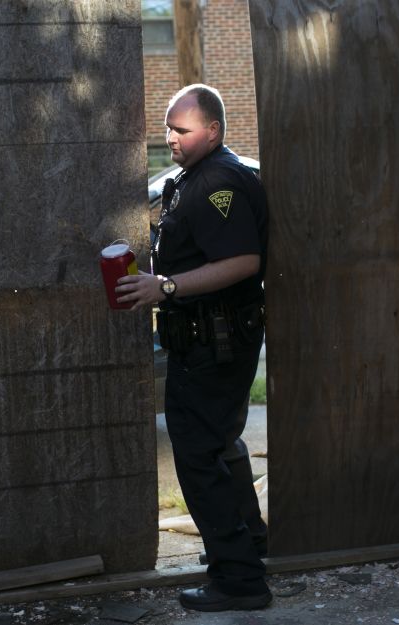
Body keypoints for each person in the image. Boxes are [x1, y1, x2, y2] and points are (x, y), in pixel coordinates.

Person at [115, 84, 270, 612]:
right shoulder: (195, 180)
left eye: (181, 130)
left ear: (213, 131)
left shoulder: (220, 182)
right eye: (167, 129)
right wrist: (156, 279)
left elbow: (244, 261)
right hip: (207, 339)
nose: (170, 139)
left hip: (214, 343)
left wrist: (169, 288)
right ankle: (249, 544)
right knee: (222, 445)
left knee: (200, 457)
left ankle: (239, 581)